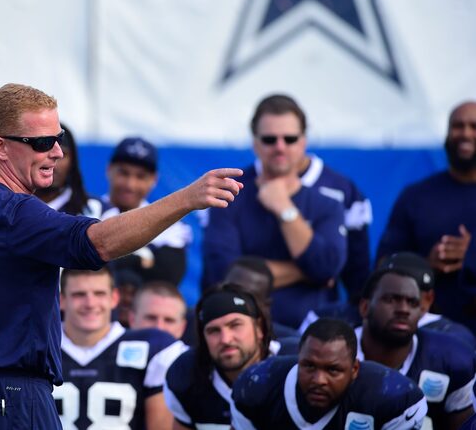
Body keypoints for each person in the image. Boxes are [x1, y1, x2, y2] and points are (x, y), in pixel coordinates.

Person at [0, 83, 242, 430]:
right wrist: (186, 199)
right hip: (12, 397)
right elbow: (96, 244)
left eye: (58, 139)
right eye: (42, 142)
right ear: (0, 147)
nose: (57, 153)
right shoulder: (13, 211)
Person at [202, 96, 347, 328]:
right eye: (270, 139)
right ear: (255, 143)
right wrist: (305, 272)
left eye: (289, 139)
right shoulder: (228, 197)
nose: (280, 147)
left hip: (311, 339)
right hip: (243, 334)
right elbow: (227, 275)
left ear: (303, 142)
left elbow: (327, 266)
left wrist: (284, 209)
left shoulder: (329, 204)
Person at [378, 100, 476, 332]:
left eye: (474, 126)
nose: (465, 133)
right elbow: (383, 266)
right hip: (428, 332)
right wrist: (424, 265)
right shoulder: (416, 196)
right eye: (457, 126)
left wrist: (470, 255)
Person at [231, 318, 427, 429]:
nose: (319, 380)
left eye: (333, 370)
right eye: (309, 366)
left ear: (354, 369)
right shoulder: (256, 386)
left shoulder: (394, 397)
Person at [53, 268, 185, 430]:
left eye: (99, 294)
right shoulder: (40, 348)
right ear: (61, 300)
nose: (90, 303)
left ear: (114, 298)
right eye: (79, 294)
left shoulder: (153, 349)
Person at [356, 268, 476, 429]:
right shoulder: (332, 355)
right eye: (391, 299)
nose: (404, 310)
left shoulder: (453, 358)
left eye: (413, 303)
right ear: (364, 307)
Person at [298, 252, 476, 348]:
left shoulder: (455, 338)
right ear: (366, 304)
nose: (402, 308)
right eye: (391, 298)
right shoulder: (330, 318)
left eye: (411, 300)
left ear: (427, 300)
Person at [164, 284, 271, 429]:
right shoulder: (186, 375)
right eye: (213, 330)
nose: (225, 339)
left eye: (235, 325)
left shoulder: (292, 367)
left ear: (259, 328)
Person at [102, 136, 193, 286]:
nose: (130, 185)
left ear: (154, 180)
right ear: (109, 170)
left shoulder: (171, 226)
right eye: (124, 173)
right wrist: (140, 260)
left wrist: (110, 260)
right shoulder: (84, 211)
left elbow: (167, 280)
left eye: (140, 176)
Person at [35, 122, 103, 217]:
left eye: (63, 154)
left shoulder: (97, 210)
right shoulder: (11, 206)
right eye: (45, 150)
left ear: (73, 161)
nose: (54, 162)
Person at [224, 256, 299, 339]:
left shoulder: (290, 346)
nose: (236, 300)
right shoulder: (207, 330)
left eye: (248, 297)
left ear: (266, 306)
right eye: (232, 291)